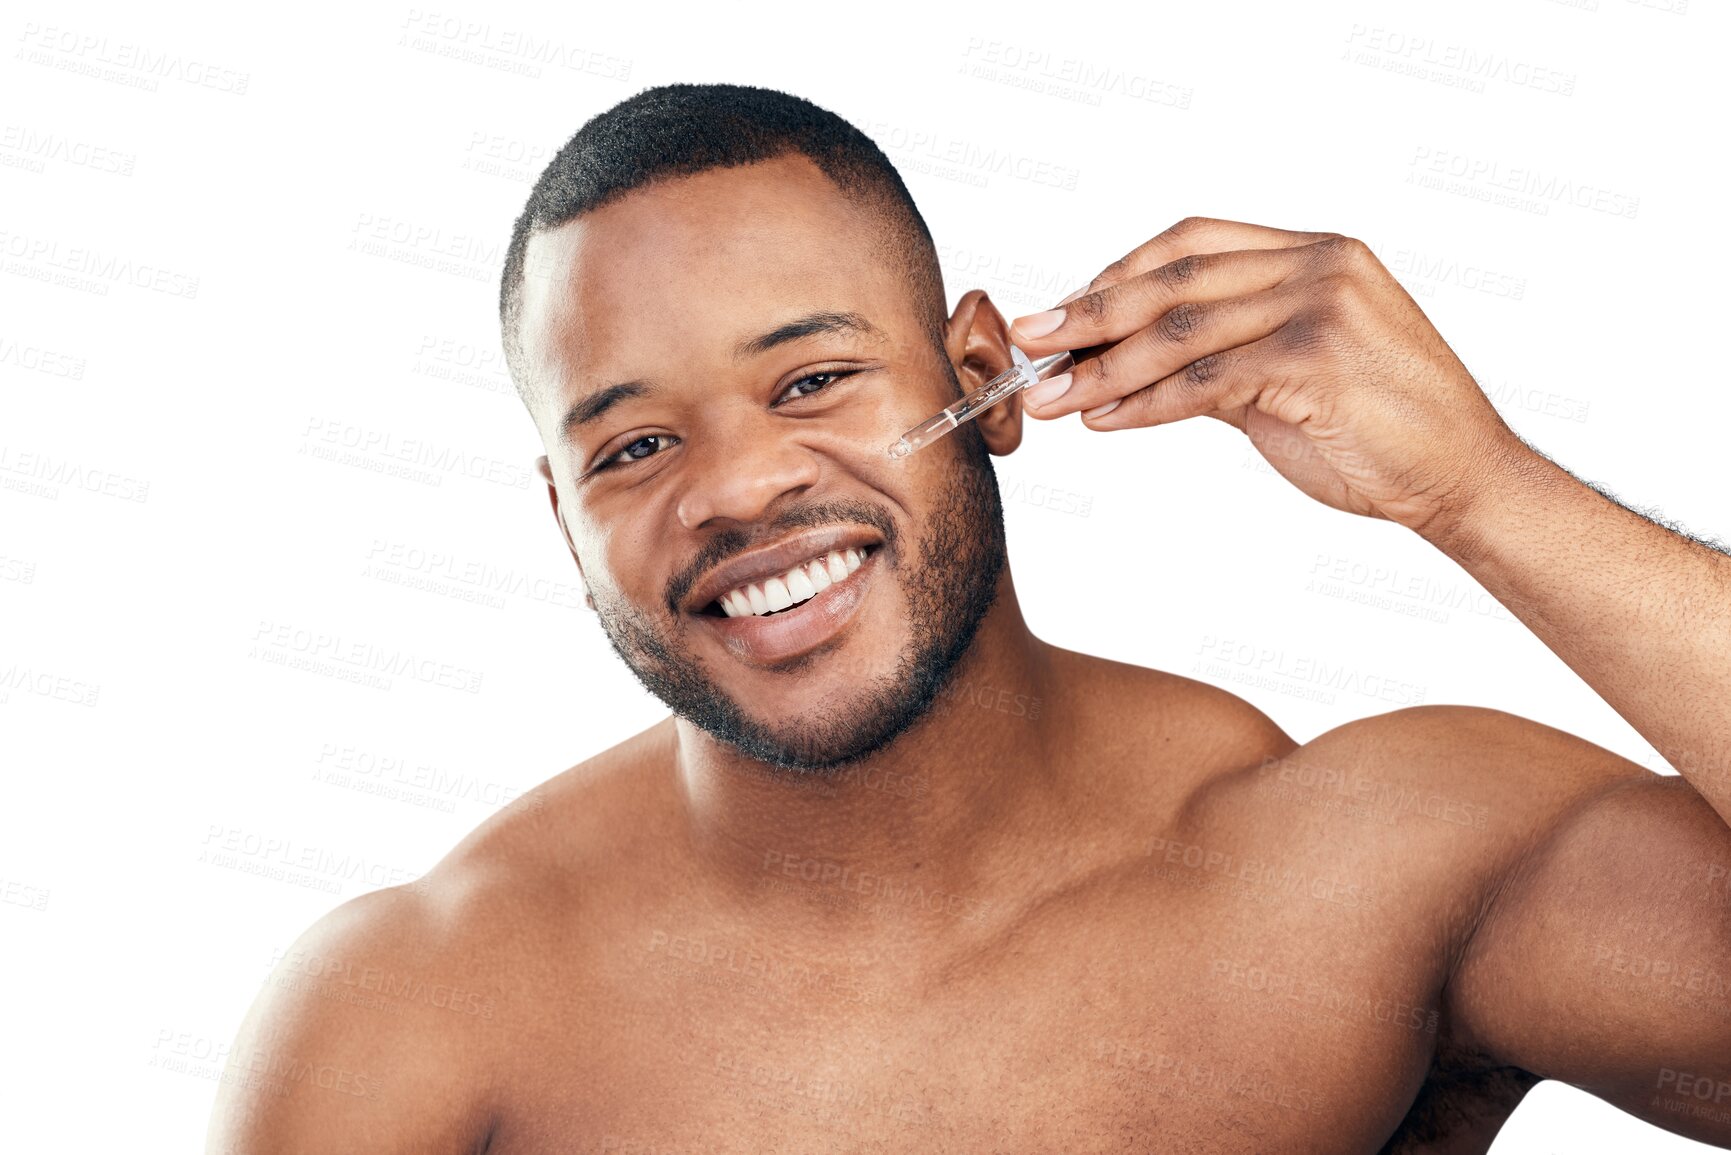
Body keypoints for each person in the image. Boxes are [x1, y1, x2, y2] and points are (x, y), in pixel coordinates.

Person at [206, 82, 1731, 1153]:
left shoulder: (1372, 877)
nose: (736, 488)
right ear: (564, 520)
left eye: (811, 380)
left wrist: (1481, 489)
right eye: (633, 446)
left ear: (982, 376)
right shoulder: (411, 1020)